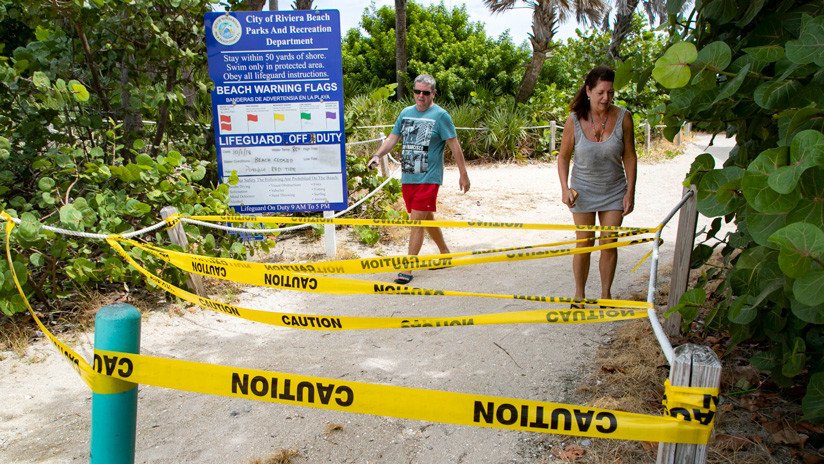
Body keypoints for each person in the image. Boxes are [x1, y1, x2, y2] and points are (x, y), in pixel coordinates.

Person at [368, 74, 470, 284]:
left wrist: (463, 174)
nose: (421, 96)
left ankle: (408, 268)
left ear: (433, 93)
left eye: (425, 92)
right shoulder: (406, 113)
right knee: (424, 219)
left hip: (429, 177)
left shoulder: (441, 116)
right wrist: (377, 155)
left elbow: (454, 145)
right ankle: (444, 252)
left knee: (416, 221)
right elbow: (393, 138)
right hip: (409, 175)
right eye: (417, 92)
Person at [556, 65, 637, 306]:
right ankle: (579, 295)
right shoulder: (574, 120)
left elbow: (630, 156)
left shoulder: (624, 117)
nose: (606, 98)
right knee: (584, 243)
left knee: (608, 242)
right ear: (589, 91)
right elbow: (563, 156)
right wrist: (564, 188)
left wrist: (630, 191)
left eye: (610, 93)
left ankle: (605, 295)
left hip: (614, 190)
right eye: (601, 92)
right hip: (583, 190)